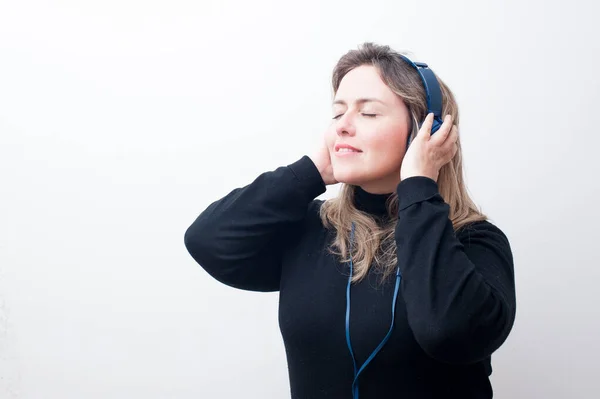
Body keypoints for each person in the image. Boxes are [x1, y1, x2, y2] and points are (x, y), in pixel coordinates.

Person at [184, 42, 516, 399]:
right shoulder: (312, 231)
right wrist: (309, 173)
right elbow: (207, 240)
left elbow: (447, 332)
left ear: (425, 132)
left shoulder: (475, 243)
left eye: (368, 113)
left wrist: (419, 185)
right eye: (338, 113)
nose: (343, 127)